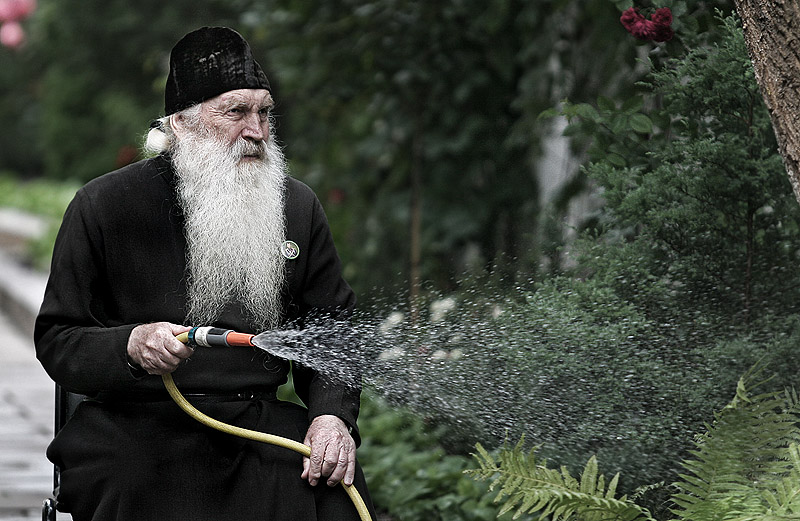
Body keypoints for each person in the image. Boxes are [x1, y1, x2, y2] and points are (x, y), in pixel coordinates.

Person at [34, 26, 375, 521]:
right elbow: (58, 338)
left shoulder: (297, 206)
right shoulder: (103, 205)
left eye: (264, 112)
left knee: (332, 491)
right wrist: (131, 344)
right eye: (236, 112)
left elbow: (333, 332)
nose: (257, 131)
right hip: (134, 422)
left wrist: (330, 417)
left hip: (254, 420)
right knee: (129, 482)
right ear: (181, 124)